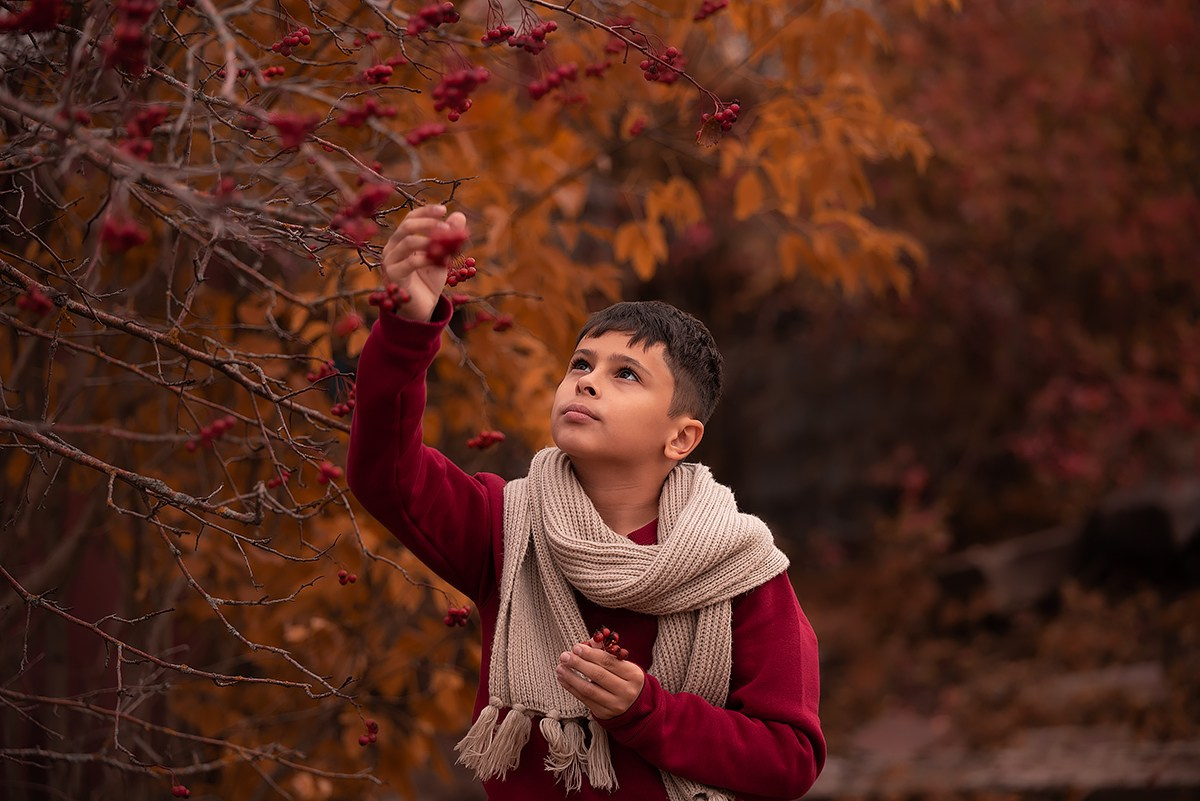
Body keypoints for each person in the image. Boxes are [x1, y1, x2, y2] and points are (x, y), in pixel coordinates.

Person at [346, 205, 826, 801]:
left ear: (680, 437)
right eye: (581, 363)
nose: (587, 380)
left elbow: (790, 759)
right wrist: (408, 325)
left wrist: (645, 711)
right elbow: (385, 475)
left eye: (626, 374)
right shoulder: (506, 526)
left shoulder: (740, 566)